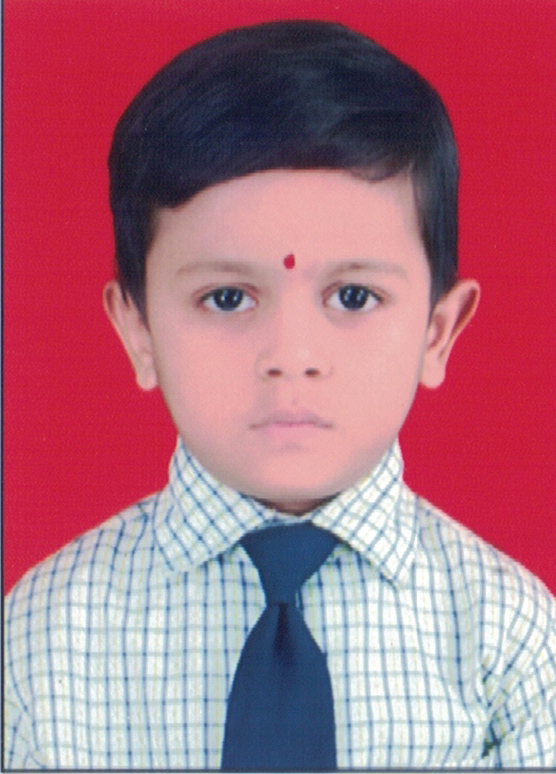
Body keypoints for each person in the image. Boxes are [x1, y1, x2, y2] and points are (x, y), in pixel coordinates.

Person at [4, 19, 555, 770]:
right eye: (228, 298)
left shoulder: (509, 639)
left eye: (354, 296)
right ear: (137, 330)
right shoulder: (41, 639)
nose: (290, 357)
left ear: (438, 331)